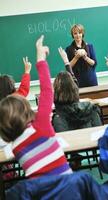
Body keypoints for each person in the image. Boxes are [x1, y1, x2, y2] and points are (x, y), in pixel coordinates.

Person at [0, 35, 72, 178]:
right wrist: (40, 59)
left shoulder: (15, 148)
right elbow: (47, 90)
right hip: (69, 186)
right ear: (26, 110)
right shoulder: (42, 125)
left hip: (41, 192)